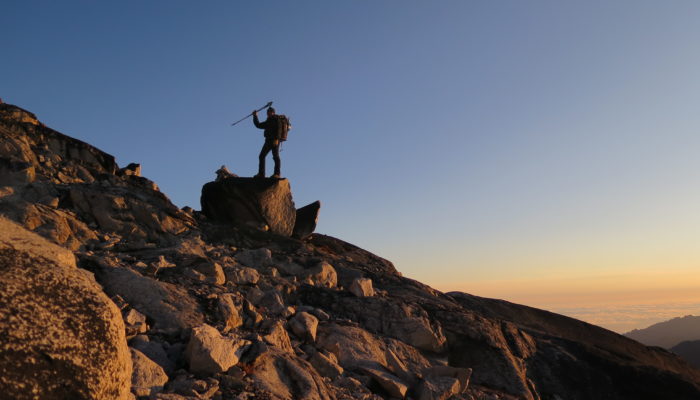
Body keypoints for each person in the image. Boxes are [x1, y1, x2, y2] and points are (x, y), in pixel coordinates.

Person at [252, 107, 282, 179]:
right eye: (267, 112)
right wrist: (255, 116)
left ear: (273, 112)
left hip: (273, 140)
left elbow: (279, 129)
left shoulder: (276, 119)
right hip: (270, 140)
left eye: (269, 112)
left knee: (273, 156)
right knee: (264, 156)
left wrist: (277, 139)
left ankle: (275, 174)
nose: (267, 113)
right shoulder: (269, 120)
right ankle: (263, 174)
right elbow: (258, 125)